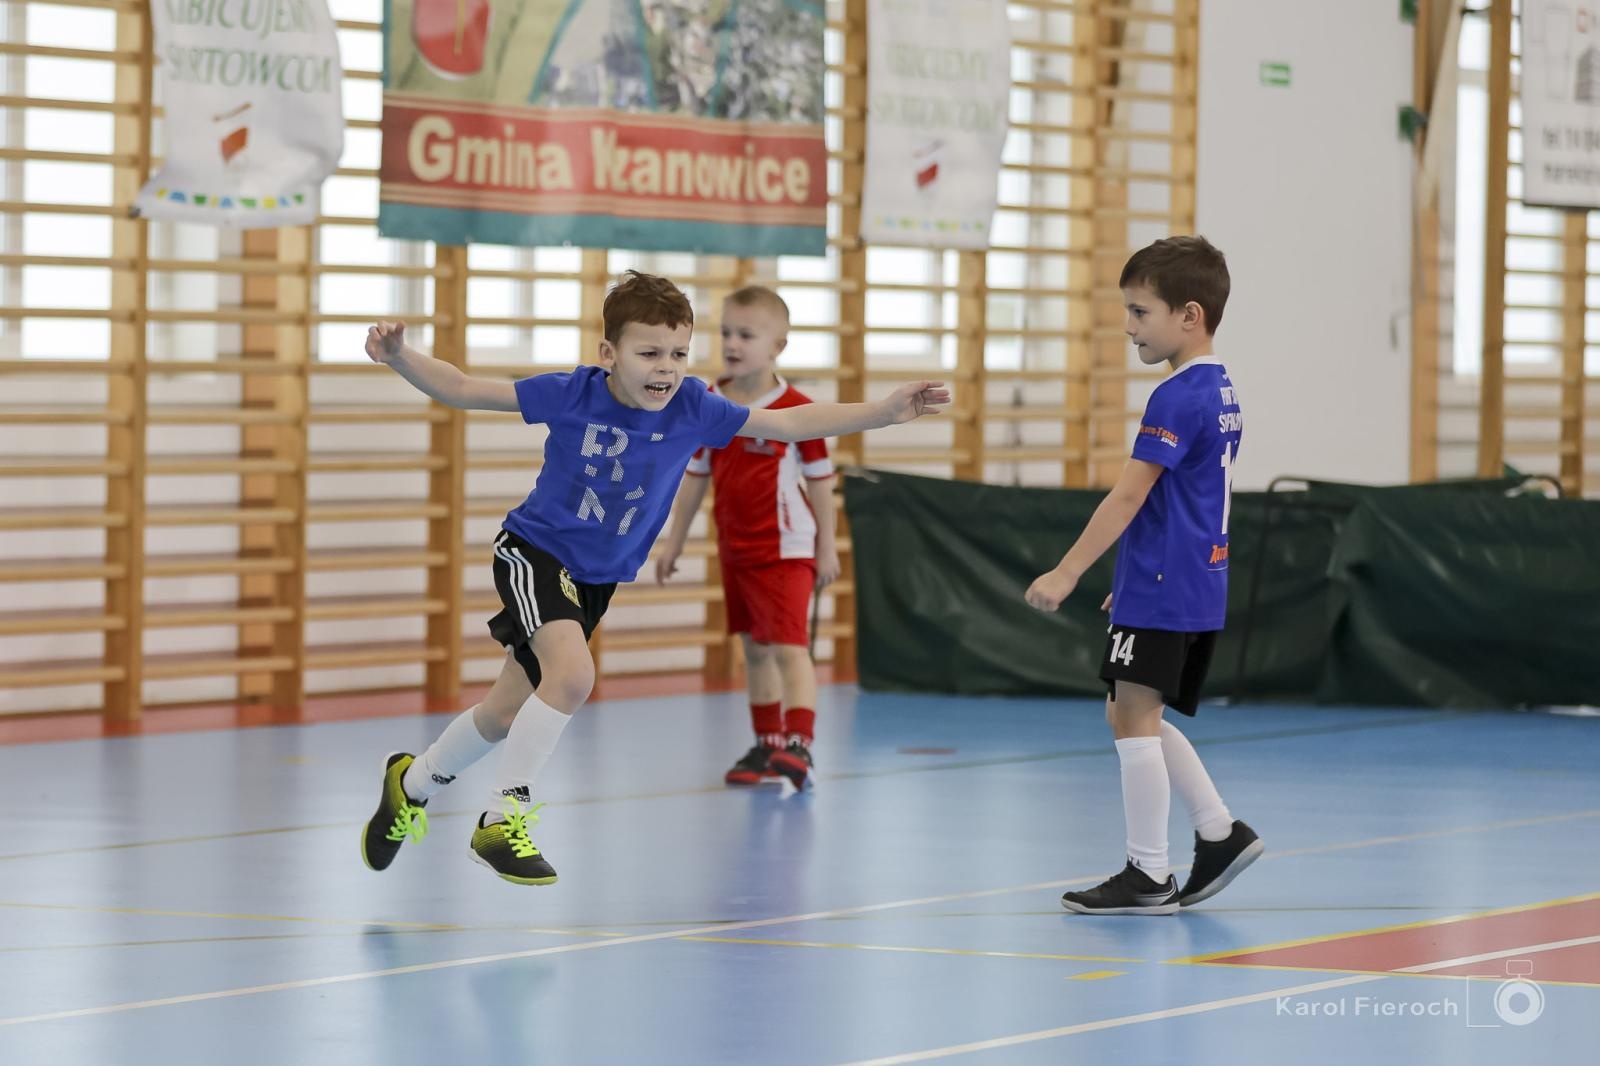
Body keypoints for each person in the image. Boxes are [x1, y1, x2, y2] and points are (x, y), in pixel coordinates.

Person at [358, 270, 949, 885]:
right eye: (649, 353)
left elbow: (789, 425)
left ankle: (411, 781)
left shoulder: (695, 406)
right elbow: (461, 388)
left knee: (506, 713)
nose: (665, 368)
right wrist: (400, 356)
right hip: (535, 552)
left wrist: (883, 412)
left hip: (593, 580)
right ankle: (504, 817)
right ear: (608, 354)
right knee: (573, 675)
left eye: (678, 354)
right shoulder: (574, 394)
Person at [1024, 236, 1261, 915]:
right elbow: (1181, 502)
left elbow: (1128, 496)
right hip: (1186, 577)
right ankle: (1218, 830)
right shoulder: (1221, 387)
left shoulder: (1174, 397)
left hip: (1167, 582)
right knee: (1131, 711)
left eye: (1140, 312)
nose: (1129, 326)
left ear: (1189, 315)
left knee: (1133, 720)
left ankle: (1148, 872)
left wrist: (1068, 571)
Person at [656, 286, 838, 790]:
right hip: (735, 547)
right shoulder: (708, 401)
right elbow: (696, 476)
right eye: (726, 333)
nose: (733, 344)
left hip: (786, 549)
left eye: (746, 335)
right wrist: (674, 543)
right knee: (755, 650)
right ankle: (768, 744)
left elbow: (822, 482)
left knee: (787, 646)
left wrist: (827, 545)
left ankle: (800, 741)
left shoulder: (799, 409)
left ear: (777, 346)